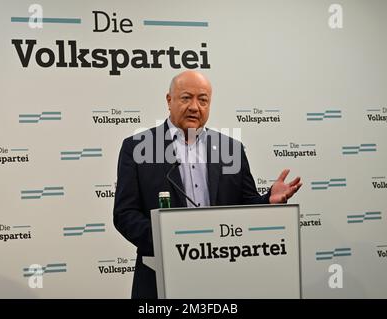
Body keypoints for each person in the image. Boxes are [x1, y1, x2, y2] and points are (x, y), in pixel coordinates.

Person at [113, 70, 302, 299]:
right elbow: (125, 213)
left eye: (203, 100)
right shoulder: (138, 148)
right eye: (186, 98)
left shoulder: (230, 149)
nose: (194, 107)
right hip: (159, 276)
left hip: (221, 276)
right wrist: (170, 243)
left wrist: (267, 200)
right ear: (169, 100)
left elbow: (246, 205)